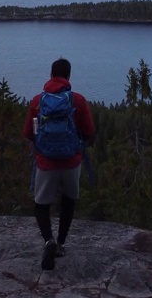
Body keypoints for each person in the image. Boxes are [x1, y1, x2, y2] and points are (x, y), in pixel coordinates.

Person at [23, 57, 95, 270]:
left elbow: (28, 133)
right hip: (71, 161)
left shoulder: (38, 101)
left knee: (41, 205)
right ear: (68, 76)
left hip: (46, 162)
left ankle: (48, 241)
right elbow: (90, 132)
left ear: (51, 74)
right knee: (69, 201)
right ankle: (61, 244)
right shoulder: (78, 100)